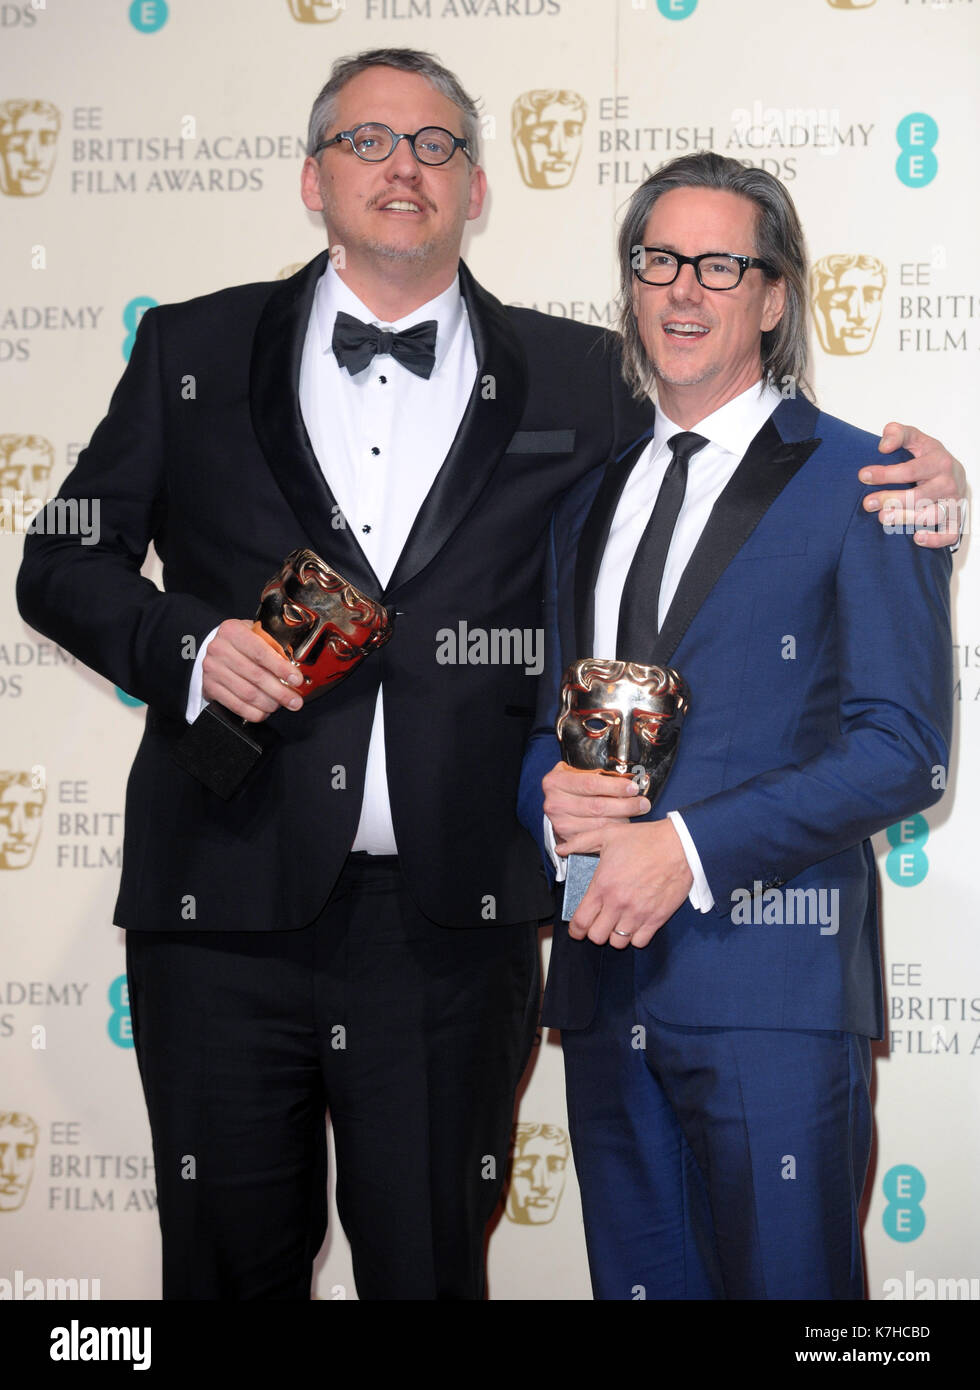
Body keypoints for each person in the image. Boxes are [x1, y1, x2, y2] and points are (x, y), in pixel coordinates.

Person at [15, 49, 960, 1301]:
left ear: (476, 186)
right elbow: (59, 562)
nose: (403, 167)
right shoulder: (192, 346)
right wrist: (186, 648)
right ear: (310, 174)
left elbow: (748, 455)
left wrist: (928, 480)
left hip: (450, 934)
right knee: (222, 1272)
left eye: (436, 145)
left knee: (430, 1273)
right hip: (222, 913)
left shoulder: (584, 381)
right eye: (368, 141)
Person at [518, 152, 954, 1301]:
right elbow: (542, 730)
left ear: (771, 296)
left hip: (771, 990)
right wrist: (544, 801)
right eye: (656, 260)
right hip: (605, 992)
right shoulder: (585, 499)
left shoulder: (869, 479)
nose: (681, 289)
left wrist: (687, 849)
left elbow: (900, 750)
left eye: (720, 264)